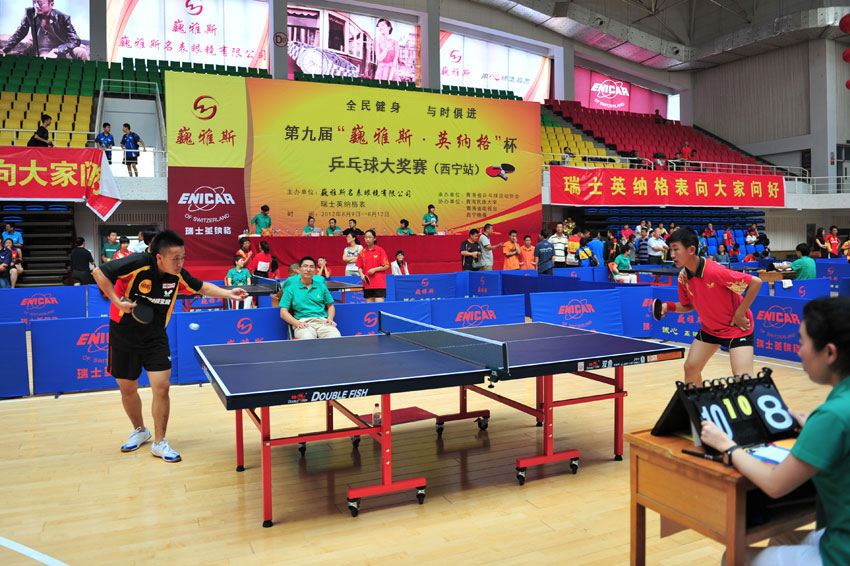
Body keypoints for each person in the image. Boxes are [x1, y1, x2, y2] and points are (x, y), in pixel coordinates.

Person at [699, 296, 850, 566]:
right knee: (782, 536)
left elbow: (774, 485)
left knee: (733, 558)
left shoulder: (831, 417)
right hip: (838, 532)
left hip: (842, 553)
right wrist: (813, 425)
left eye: (802, 342)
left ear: (830, 352)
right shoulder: (834, 412)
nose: (799, 351)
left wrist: (727, 445)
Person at [92, 230, 248, 462]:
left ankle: (159, 442)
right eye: (175, 258)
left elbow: (202, 287)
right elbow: (99, 272)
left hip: (155, 337)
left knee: (162, 387)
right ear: (159, 257)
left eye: (183, 257)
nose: (180, 263)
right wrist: (117, 301)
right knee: (128, 389)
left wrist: (229, 293)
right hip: (123, 334)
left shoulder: (177, 275)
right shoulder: (139, 263)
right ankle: (140, 430)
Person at [656, 228, 762, 385]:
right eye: (670, 250)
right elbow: (688, 306)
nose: (671, 255)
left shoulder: (713, 271)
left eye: (676, 249)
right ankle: (698, 401)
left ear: (691, 250)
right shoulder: (683, 277)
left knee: (743, 378)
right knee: (691, 368)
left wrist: (740, 313)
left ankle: (758, 402)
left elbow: (755, 283)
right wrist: (667, 306)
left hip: (737, 328)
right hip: (710, 329)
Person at [1, 0, 88, 59]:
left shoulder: (62, 18)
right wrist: (5, 49)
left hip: (62, 49)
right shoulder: (30, 14)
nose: (36, 6)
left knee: (81, 52)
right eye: (34, 2)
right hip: (42, 50)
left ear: (51, 4)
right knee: (43, 58)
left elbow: (75, 40)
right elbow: (19, 33)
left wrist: (57, 50)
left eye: (40, 3)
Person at [279, 256, 340, 339]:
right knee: (307, 337)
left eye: (311, 267)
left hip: (322, 322)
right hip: (303, 323)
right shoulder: (291, 288)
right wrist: (297, 323)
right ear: (299, 269)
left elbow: (330, 305)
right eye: (305, 266)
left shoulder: (321, 286)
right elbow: (283, 312)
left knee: (335, 336)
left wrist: (330, 318)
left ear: (315, 270)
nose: (308, 269)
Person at [356, 230, 389, 302]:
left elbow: (386, 266)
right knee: (369, 307)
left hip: (379, 283)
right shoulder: (362, 252)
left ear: (374, 238)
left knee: (379, 306)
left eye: (370, 237)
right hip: (367, 283)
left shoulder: (380, 250)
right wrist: (362, 275)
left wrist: (374, 270)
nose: (367, 239)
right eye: (366, 237)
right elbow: (359, 267)